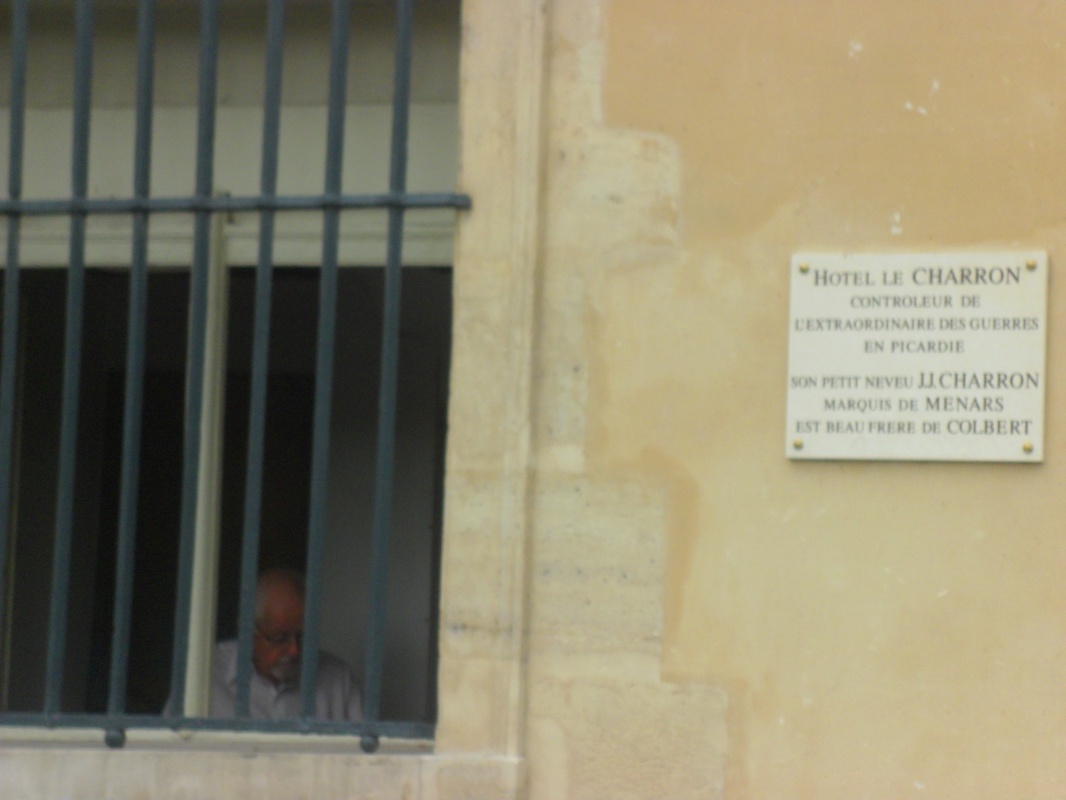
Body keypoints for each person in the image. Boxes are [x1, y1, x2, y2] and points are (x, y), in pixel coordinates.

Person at [210, 568, 362, 721]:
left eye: (303, 637)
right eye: (280, 638)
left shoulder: (338, 681)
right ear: (247, 631)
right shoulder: (208, 674)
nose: (294, 650)